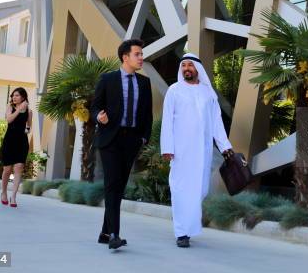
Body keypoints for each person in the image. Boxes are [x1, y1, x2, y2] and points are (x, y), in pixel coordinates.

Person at [160, 53, 234, 248]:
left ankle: (188, 227)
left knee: (200, 190)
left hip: (203, 151)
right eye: (183, 65)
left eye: (190, 65)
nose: (186, 68)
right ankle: (181, 232)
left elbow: (217, 122)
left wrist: (225, 146)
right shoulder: (174, 90)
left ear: (197, 69)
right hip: (181, 151)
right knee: (180, 189)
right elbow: (167, 121)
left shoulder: (208, 93)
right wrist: (167, 147)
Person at [90, 39, 152, 250]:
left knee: (119, 186)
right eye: (138, 54)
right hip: (110, 139)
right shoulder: (108, 79)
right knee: (112, 185)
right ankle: (114, 234)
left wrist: (143, 138)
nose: (141, 58)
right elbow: (95, 105)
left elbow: (147, 114)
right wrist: (99, 116)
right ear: (125, 57)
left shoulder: (144, 83)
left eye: (141, 54)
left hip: (131, 141)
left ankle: (105, 232)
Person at [0, 87, 32, 208]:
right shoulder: (10, 108)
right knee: (7, 169)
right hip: (9, 141)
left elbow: (29, 124)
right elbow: (9, 120)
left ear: (23, 97)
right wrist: (19, 109)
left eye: (17, 95)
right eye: (13, 95)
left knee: (19, 167)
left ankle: (13, 196)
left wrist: (27, 129)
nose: (14, 97)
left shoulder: (29, 110)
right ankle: (3, 192)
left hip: (22, 141)